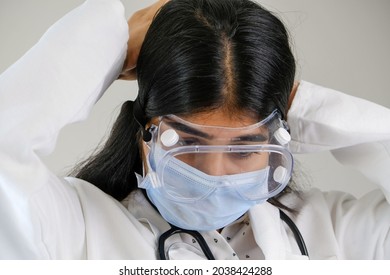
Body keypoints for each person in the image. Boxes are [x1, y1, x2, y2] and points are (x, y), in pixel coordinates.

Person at [0, 0, 389, 260]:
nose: (215, 177)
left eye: (246, 147)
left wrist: (300, 107)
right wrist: (107, 42)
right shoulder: (74, 228)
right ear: (144, 133)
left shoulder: (335, 231)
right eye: (190, 144)